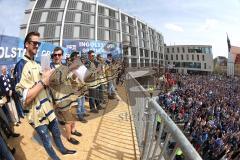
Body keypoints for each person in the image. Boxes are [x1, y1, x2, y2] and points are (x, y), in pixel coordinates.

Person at [15, 31, 76, 160]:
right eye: (34, 43)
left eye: (39, 43)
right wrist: (44, 81)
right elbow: (25, 99)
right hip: (36, 115)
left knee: (57, 133)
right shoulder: (20, 65)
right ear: (26, 44)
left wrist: (48, 79)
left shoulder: (37, 64)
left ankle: (63, 150)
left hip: (48, 109)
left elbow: (44, 86)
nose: (37, 46)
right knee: (47, 141)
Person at [49, 47, 82, 145]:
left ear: (62, 56)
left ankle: (73, 130)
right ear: (53, 56)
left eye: (59, 55)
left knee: (73, 116)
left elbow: (72, 79)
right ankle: (69, 137)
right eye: (55, 55)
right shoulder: (49, 69)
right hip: (61, 99)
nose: (57, 57)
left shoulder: (65, 67)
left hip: (71, 96)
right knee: (68, 120)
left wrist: (76, 72)